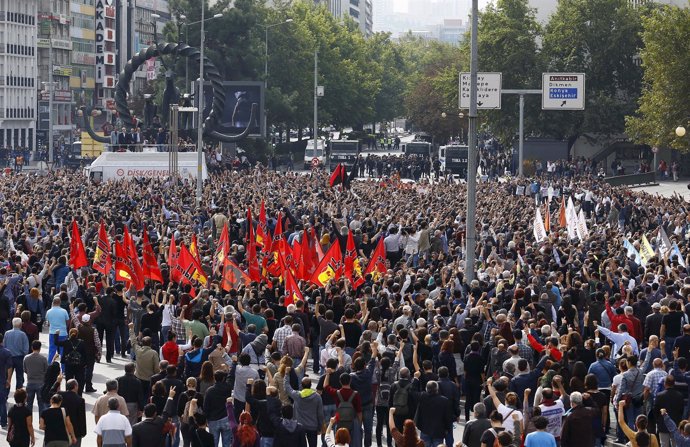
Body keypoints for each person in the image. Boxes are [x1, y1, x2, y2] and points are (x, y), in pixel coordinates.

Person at [412, 380, 453, 447]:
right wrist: (447, 429)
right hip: (439, 431)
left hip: (425, 429)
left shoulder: (422, 397)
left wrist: (415, 379)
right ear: (437, 389)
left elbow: (412, 392)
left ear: (426, 388)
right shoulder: (444, 400)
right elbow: (447, 417)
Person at [24, 339, 48, 414]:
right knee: (41, 405)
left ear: (32, 347)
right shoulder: (43, 359)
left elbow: (25, 370)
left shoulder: (26, 358)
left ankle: (29, 423)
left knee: (28, 404)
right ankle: (41, 423)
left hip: (30, 382)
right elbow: (46, 371)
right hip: (41, 383)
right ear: (40, 348)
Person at [4, 317, 29, 389]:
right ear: (21, 324)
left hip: (8, 357)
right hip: (19, 357)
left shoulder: (7, 333)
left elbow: (4, 345)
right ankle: (18, 393)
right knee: (19, 376)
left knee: (7, 376)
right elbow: (26, 349)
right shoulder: (23, 334)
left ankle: (6, 392)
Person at [45, 298, 69, 367]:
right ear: (60, 302)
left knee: (52, 350)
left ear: (53, 302)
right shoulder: (64, 311)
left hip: (52, 332)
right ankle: (63, 369)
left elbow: (48, 323)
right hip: (63, 333)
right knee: (63, 352)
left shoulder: (49, 311)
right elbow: (67, 321)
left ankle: (49, 366)